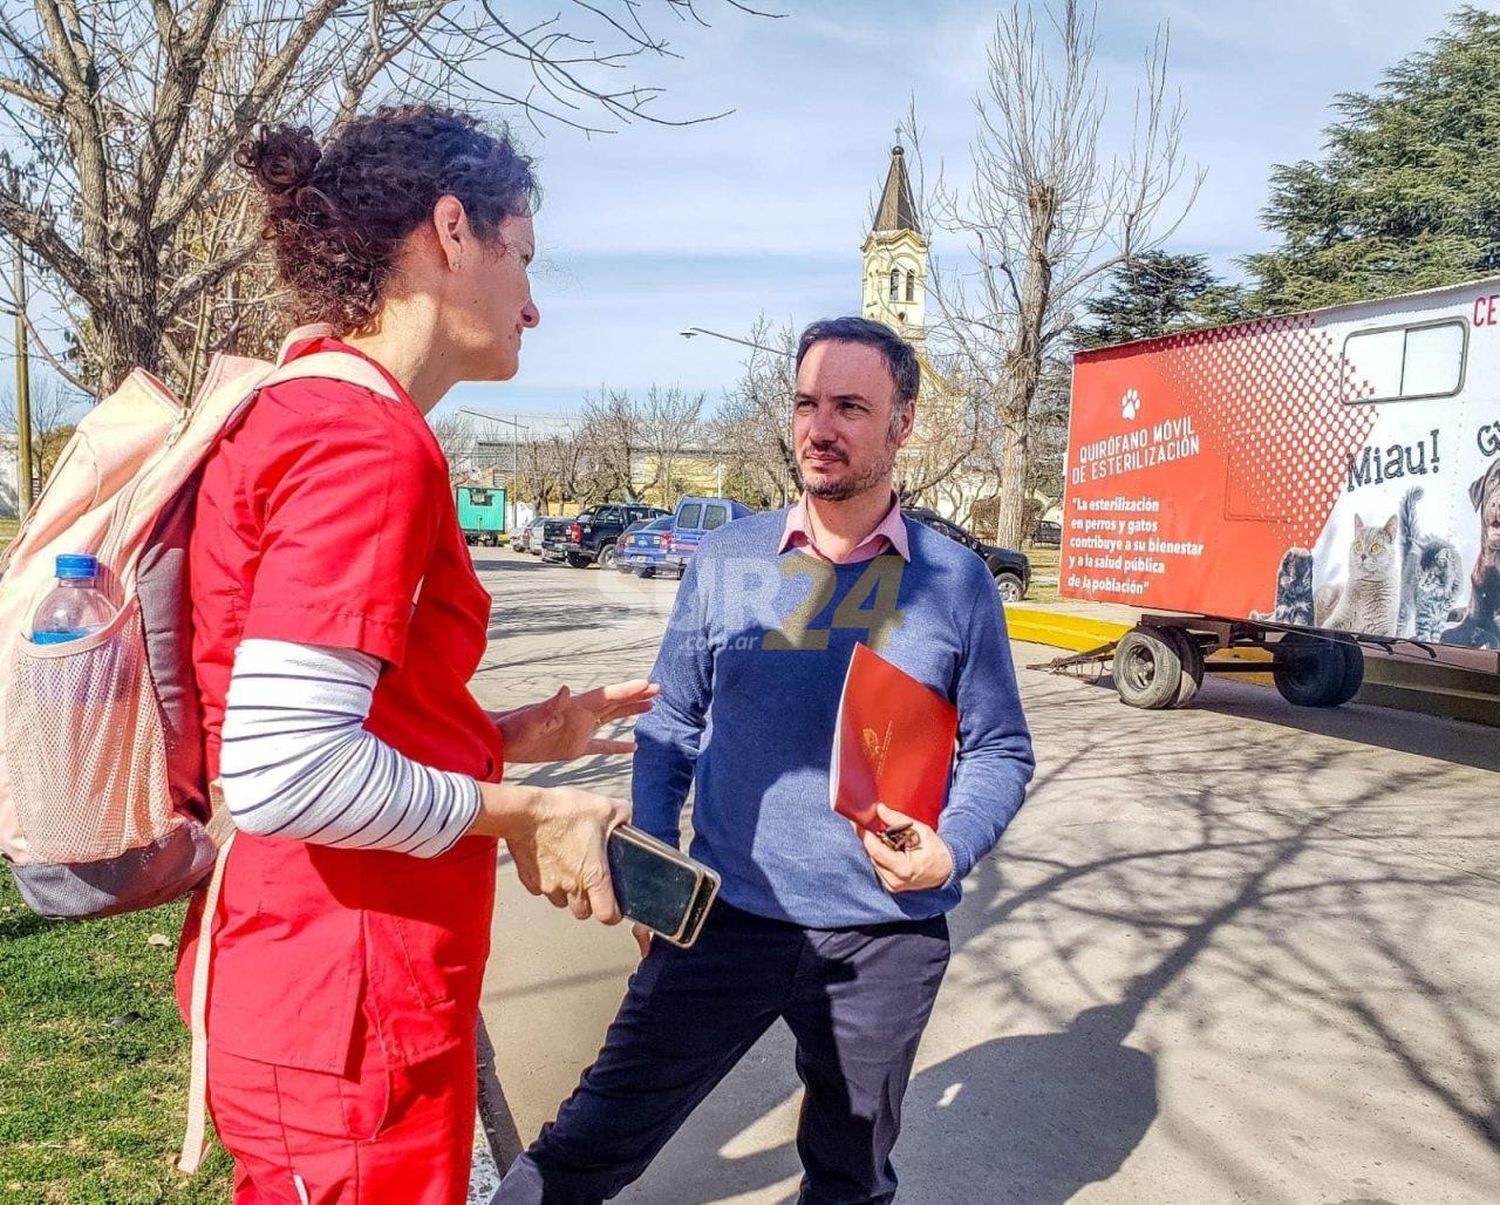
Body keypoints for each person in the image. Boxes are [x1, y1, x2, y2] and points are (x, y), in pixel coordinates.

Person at [176, 106, 652, 1203]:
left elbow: (330, 726)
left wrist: (511, 740)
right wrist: (531, 814)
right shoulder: (362, 441)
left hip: (333, 995)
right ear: (452, 231)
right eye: (521, 257)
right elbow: (288, 769)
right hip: (345, 1018)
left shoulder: (312, 405)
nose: (532, 302)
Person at [497, 316, 1036, 1203]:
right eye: (806, 403)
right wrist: (649, 878)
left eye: (851, 406)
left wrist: (954, 847)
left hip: (882, 937)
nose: (821, 427)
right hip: (723, 916)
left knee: (849, 1175)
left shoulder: (956, 581)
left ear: (901, 425)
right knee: (588, 1141)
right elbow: (672, 720)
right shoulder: (730, 558)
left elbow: (1001, 747)